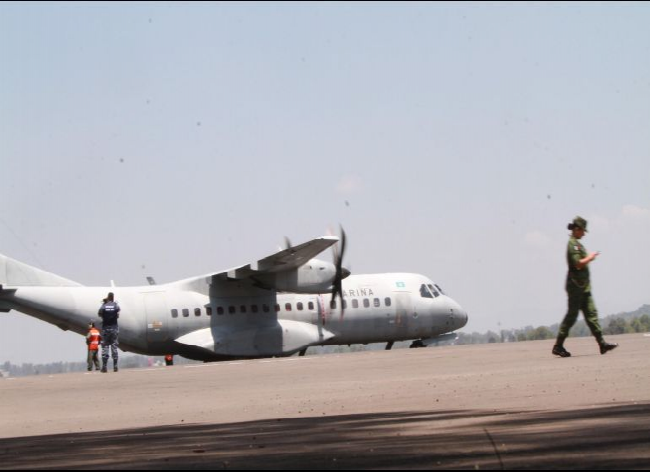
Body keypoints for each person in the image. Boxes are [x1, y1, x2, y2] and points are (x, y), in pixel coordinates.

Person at [552, 216, 618, 358]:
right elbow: (577, 263)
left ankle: (602, 344)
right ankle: (558, 346)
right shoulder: (573, 244)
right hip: (576, 288)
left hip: (584, 288)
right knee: (571, 316)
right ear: (577, 229)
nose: (584, 233)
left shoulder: (578, 244)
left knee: (591, 315)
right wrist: (590, 257)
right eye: (583, 230)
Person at [98, 292, 120, 372]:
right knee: (114, 347)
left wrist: (104, 316)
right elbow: (118, 312)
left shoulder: (104, 305)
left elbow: (99, 313)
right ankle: (115, 366)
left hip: (105, 328)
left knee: (105, 347)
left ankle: (104, 366)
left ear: (108, 297)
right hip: (114, 328)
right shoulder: (115, 305)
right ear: (113, 297)